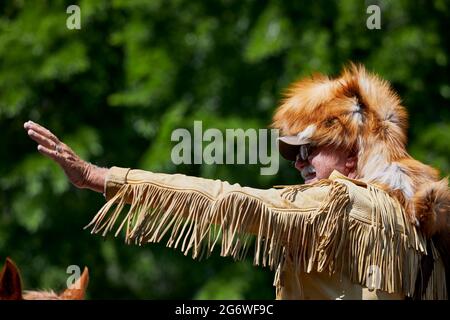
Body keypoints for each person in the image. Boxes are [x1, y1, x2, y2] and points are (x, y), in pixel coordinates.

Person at [23, 64, 449, 300]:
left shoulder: (338, 204)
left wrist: (103, 178)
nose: (299, 162)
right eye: (291, 152)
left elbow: (230, 202)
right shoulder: (422, 232)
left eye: (309, 147)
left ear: (352, 152)